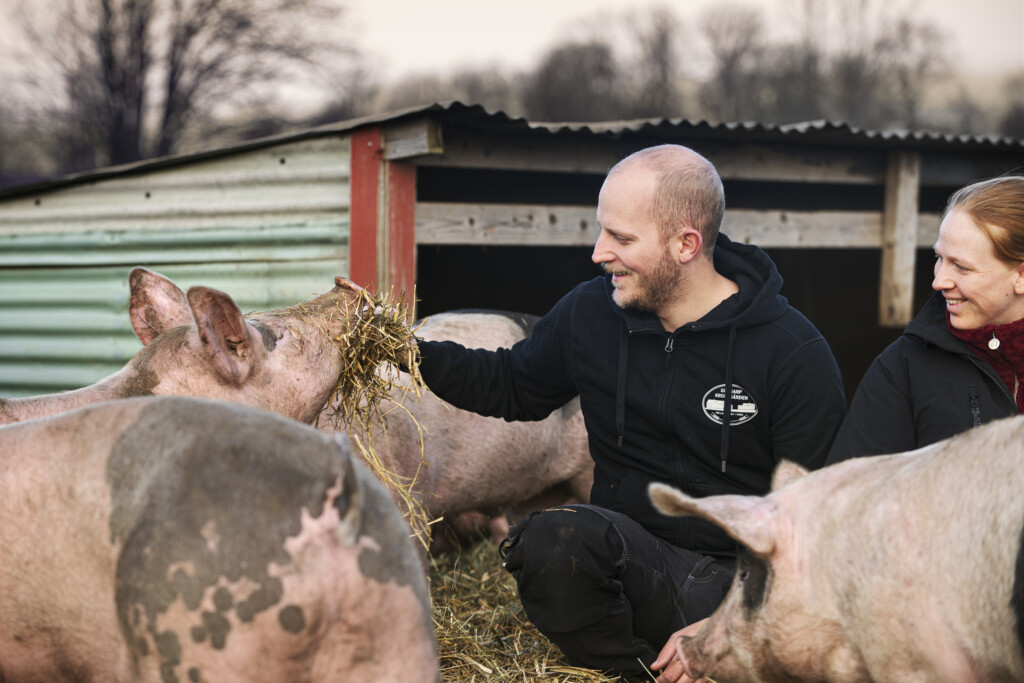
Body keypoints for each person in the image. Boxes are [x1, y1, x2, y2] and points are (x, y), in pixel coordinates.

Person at [415, 144, 846, 680]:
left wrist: (726, 625)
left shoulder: (792, 352)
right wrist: (403, 351)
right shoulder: (592, 314)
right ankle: (639, 671)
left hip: (746, 585)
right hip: (636, 565)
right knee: (551, 543)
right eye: (602, 231)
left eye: (620, 238)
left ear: (686, 244)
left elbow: (816, 522)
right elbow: (511, 384)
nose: (598, 252)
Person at [827, 175, 1024, 466]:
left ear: (1021, 276)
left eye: (961, 266)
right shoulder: (903, 365)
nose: (939, 280)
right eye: (939, 258)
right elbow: (848, 495)